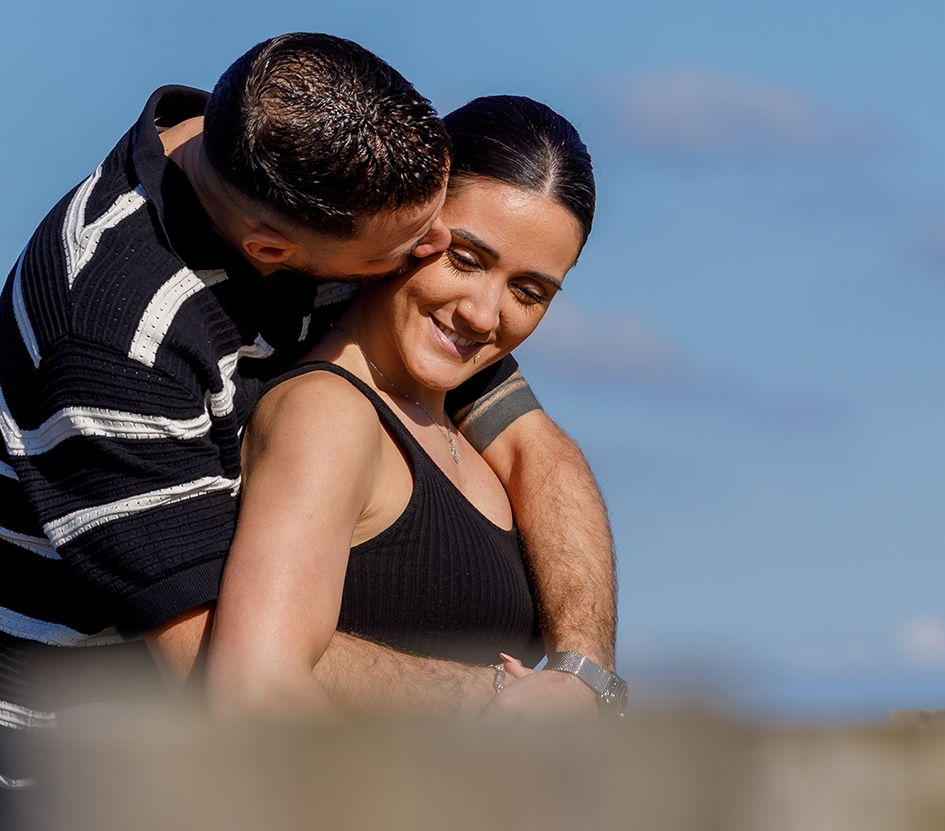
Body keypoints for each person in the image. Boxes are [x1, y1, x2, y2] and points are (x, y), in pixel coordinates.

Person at [0, 33, 614, 800]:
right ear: (273, 250)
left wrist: (580, 675)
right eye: (441, 253)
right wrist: (500, 706)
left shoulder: (332, 174)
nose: (431, 255)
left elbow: (532, 443)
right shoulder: (111, 337)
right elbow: (237, 676)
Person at [208, 95, 622, 718]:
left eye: (528, 291)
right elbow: (257, 687)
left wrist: (581, 679)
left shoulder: (466, 425)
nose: (483, 314)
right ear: (409, 225)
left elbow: (551, 458)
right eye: (466, 259)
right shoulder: (329, 414)